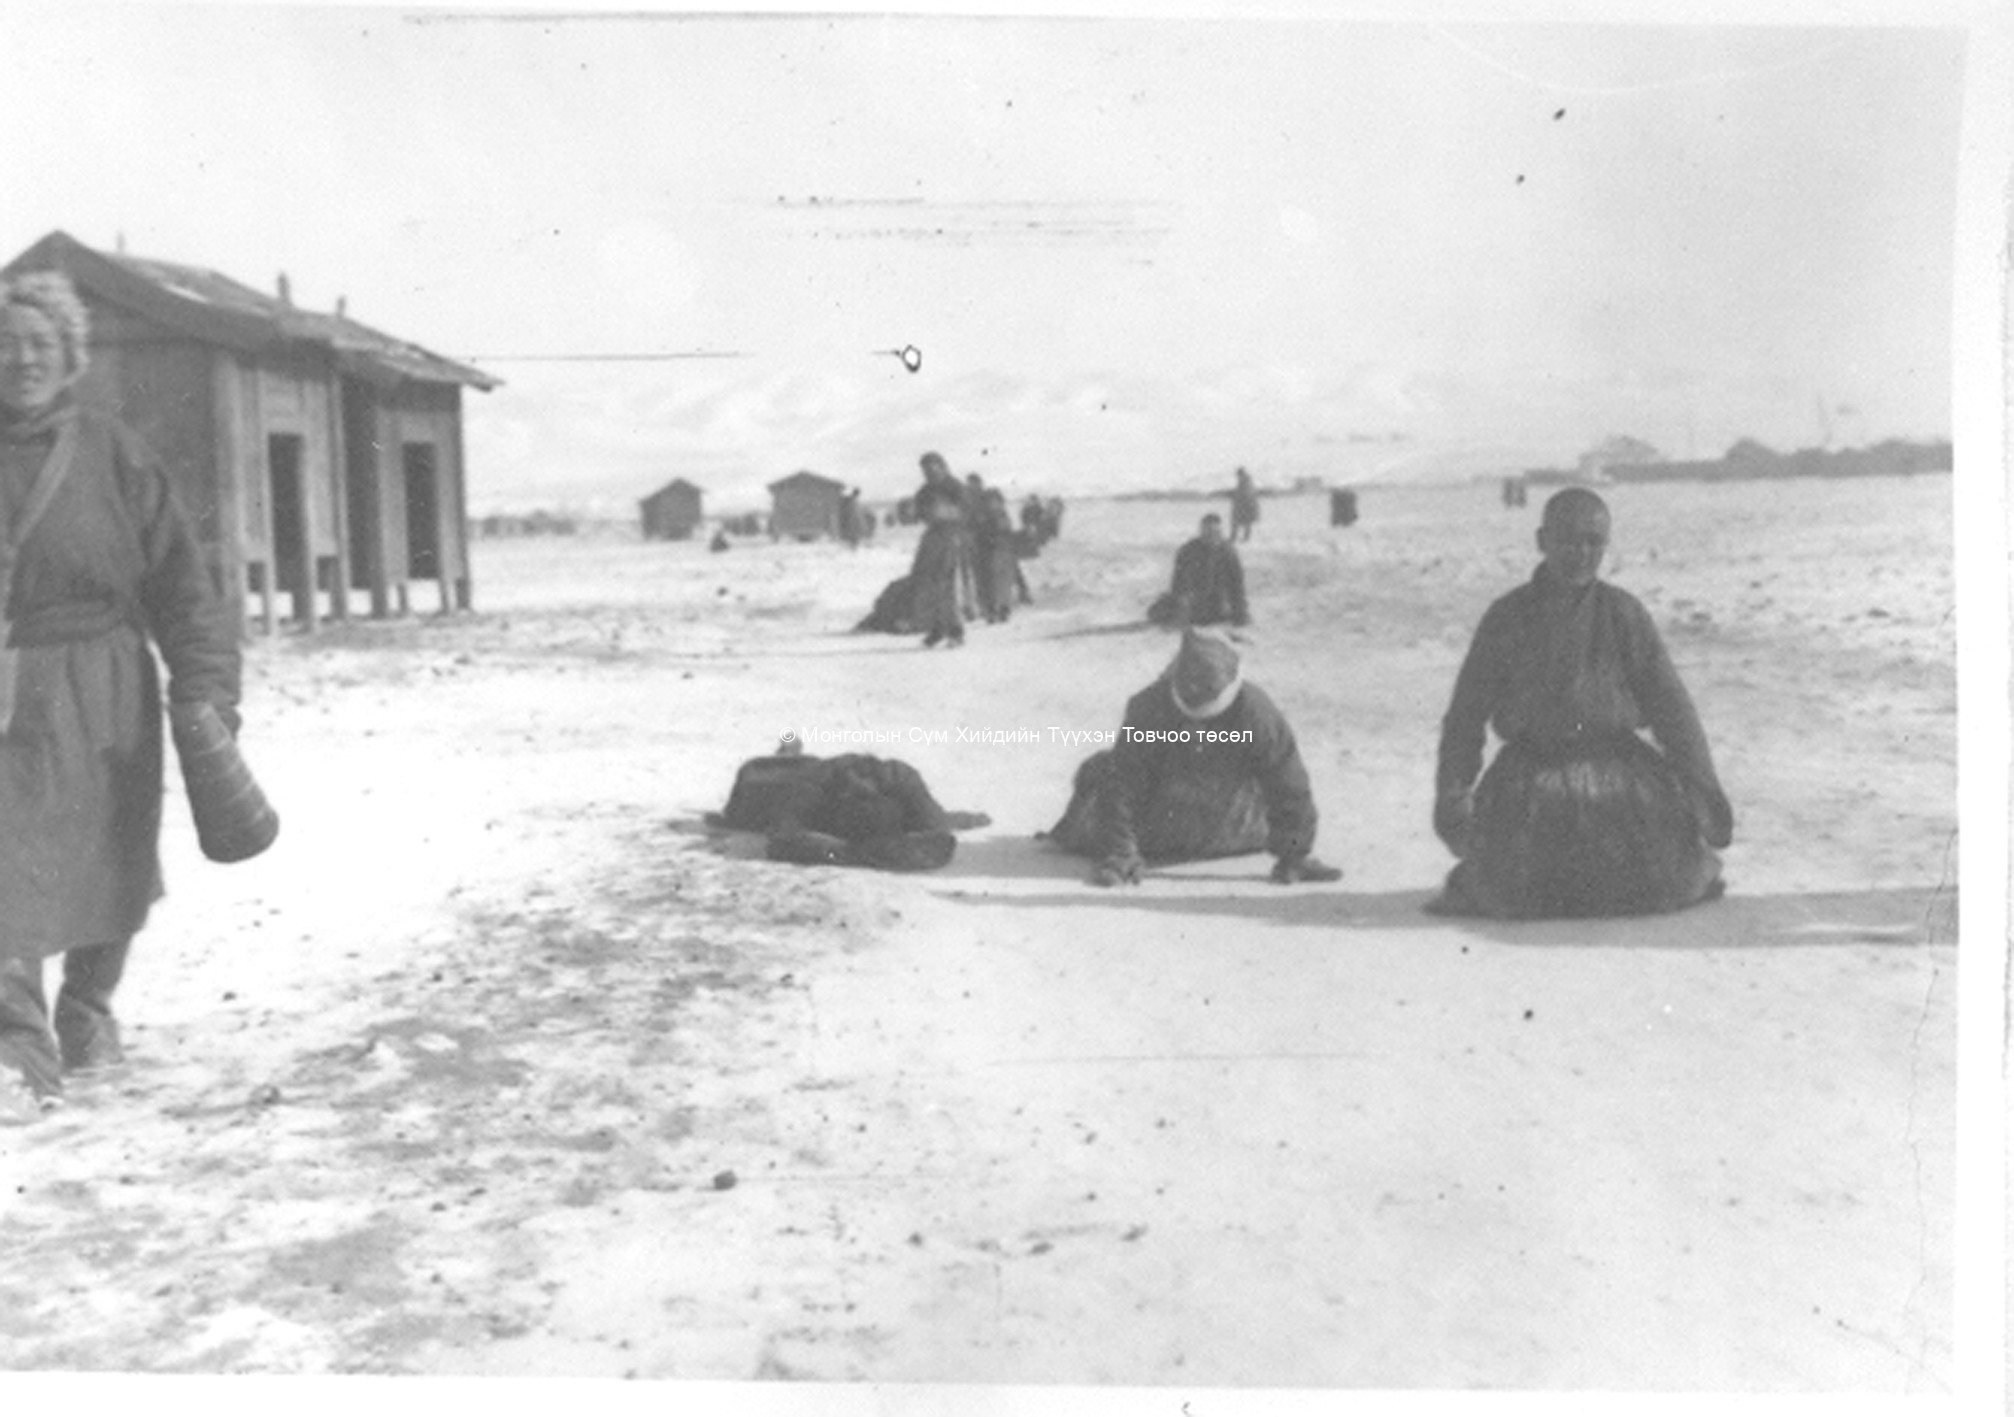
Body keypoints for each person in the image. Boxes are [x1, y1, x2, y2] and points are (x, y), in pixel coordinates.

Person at [0, 271, 243, 1122]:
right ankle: (17, 1051)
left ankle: (88, 1011)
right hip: (5, 687)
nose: (20, 359)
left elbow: (183, 584)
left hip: (106, 684)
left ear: (68, 356)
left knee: (113, 856)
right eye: (5, 343)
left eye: (38, 344)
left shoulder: (112, 451)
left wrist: (207, 690)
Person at [1430, 487, 1733, 919]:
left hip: (1621, 778)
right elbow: (1465, 715)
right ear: (1542, 540)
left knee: (1658, 880)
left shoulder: (1624, 614)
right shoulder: (1506, 617)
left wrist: (1705, 795)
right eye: (1569, 540)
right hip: (1532, 778)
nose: (1582, 553)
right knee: (1512, 888)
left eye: (1595, 542)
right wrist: (1453, 797)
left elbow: (1672, 709)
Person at [1046, 628, 1340, 886]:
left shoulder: (1154, 707)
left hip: (1168, 830)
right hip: (1234, 827)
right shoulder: (1254, 712)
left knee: (1097, 774)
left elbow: (1122, 782)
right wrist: (1294, 854)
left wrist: (1120, 852)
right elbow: (1288, 782)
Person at [907, 452, 976, 648]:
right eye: (925, 469)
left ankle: (956, 631)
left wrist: (949, 513)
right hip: (933, 538)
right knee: (926, 582)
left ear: (942, 466)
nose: (929, 472)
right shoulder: (925, 490)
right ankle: (937, 629)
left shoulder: (954, 486)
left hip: (953, 536)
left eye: (932, 467)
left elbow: (968, 511)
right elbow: (917, 513)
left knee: (949, 584)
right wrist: (910, 513)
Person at [1148, 513, 1248, 629]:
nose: (1211, 537)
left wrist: (1240, 612)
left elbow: (1237, 586)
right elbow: (1177, 583)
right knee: (1156, 612)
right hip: (1193, 602)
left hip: (1217, 603)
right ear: (1201, 532)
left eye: (1215, 533)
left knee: (1224, 615)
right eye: (1207, 532)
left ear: (1220, 533)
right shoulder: (1187, 550)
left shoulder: (1228, 552)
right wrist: (1182, 602)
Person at [1229, 467, 1259, 542]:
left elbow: (1247, 494)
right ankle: (1235, 537)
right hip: (1242, 506)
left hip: (1246, 506)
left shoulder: (1246, 482)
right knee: (1238, 522)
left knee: (1245, 523)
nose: (1238, 477)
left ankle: (1243, 538)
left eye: (1238, 475)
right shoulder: (1244, 482)